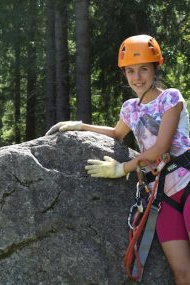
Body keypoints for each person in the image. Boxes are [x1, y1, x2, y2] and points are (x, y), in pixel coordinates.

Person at [46, 35, 190, 284]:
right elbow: (116, 134)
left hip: (186, 183)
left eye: (144, 69)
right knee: (182, 272)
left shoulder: (171, 99)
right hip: (163, 198)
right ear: (124, 74)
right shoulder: (130, 108)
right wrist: (80, 127)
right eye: (131, 71)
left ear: (155, 68)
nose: (137, 77)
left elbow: (159, 149)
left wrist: (122, 168)